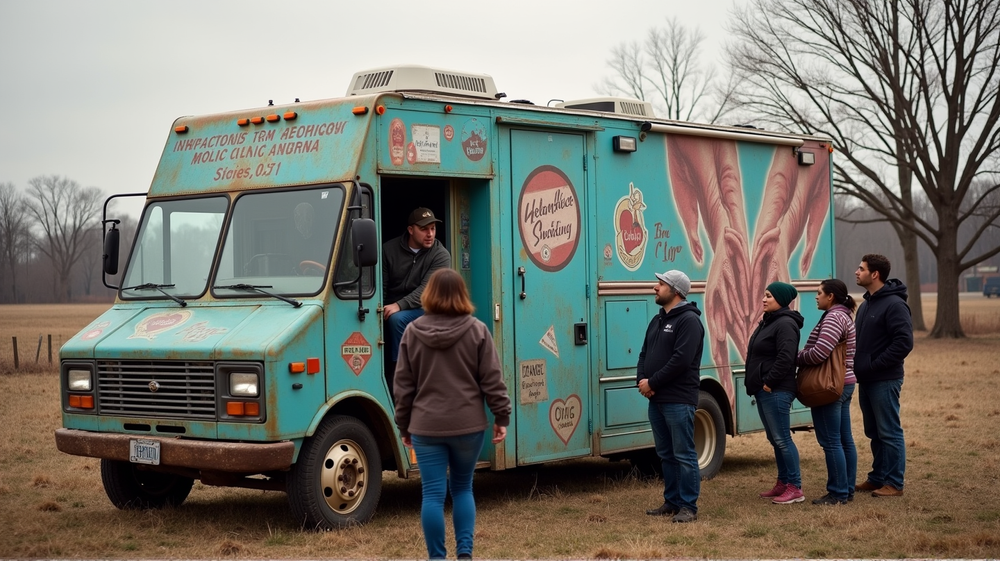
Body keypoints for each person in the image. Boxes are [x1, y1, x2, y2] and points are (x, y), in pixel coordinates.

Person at [393, 268, 511, 560]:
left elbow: (403, 386)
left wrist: (403, 425)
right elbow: (493, 381)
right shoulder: (477, 330)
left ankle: (436, 557)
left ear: (429, 295)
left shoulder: (412, 332)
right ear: (462, 294)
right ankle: (465, 554)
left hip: (426, 427)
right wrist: (501, 417)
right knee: (462, 488)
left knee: (432, 494)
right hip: (468, 426)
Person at [637, 270, 705, 523]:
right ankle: (672, 501)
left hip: (678, 398)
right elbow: (644, 353)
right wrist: (642, 381)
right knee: (665, 453)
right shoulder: (657, 320)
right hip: (657, 400)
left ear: (675, 291)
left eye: (660, 284)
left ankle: (688, 506)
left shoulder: (689, 321)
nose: (655, 288)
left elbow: (681, 361)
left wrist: (652, 382)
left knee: (684, 453)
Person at [854, 254, 913, 497]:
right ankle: (877, 477)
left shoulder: (895, 304)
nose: (857, 272)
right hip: (866, 379)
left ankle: (894, 483)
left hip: (885, 379)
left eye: (861, 268)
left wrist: (876, 365)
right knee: (874, 432)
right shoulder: (867, 304)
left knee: (889, 431)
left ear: (875, 274)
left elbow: (904, 343)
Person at [797, 279, 857, 505]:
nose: (816, 296)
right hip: (845, 382)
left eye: (819, 292)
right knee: (843, 439)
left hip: (830, 386)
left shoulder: (833, 317)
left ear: (830, 296)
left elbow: (820, 352)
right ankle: (847, 490)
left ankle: (838, 493)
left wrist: (797, 357)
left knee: (831, 441)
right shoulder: (844, 316)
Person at [746, 281, 805, 504]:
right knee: (775, 439)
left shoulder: (785, 324)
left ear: (780, 300)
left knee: (782, 439)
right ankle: (783, 482)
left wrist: (769, 382)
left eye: (769, 296)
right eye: (764, 294)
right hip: (765, 390)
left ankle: (795, 487)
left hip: (777, 390)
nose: (764, 299)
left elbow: (786, 356)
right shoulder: (769, 321)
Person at [382, 207, 451, 396]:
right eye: (424, 229)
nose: (430, 234)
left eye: (433, 229)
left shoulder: (440, 254)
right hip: (393, 306)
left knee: (397, 319)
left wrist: (398, 306)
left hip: (428, 308)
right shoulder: (389, 249)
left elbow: (427, 290)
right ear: (411, 230)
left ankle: (399, 372)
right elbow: (381, 285)